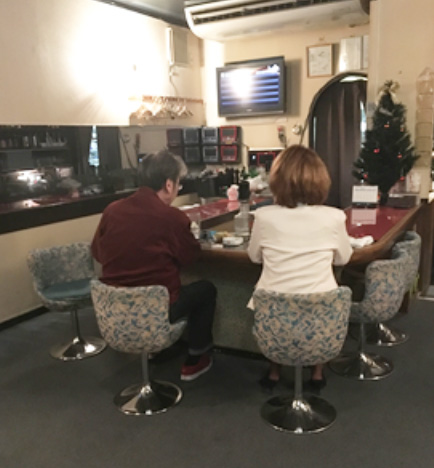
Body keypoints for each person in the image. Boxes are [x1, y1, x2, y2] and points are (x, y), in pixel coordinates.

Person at [91, 150, 217, 381]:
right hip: (157, 309)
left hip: (114, 310)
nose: (177, 189)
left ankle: (159, 349)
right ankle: (196, 358)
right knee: (205, 290)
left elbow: (98, 254)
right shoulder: (172, 217)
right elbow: (190, 257)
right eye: (178, 184)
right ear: (169, 184)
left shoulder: (111, 211)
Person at [247, 144, 353, 391]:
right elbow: (343, 259)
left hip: (274, 313)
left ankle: (274, 372)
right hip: (321, 311)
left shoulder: (264, 216)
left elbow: (254, 257)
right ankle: (317, 373)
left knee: (276, 303)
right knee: (319, 300)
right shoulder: (334, 216)